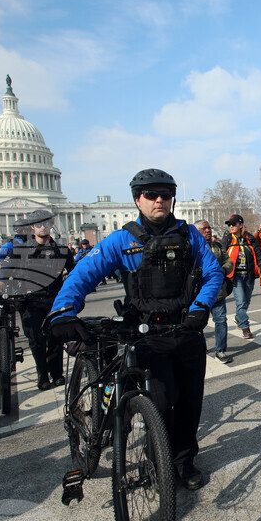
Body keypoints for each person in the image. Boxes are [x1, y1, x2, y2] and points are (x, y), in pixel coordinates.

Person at [48, 168, 224, 490]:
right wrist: (63, 310)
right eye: (151, 195)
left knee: (190, 404)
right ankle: (160, 463)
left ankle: (184, 462)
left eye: (166, 195)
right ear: (137, 200)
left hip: (186, 330)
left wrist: (201, 308)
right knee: (162, 402)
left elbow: (213, 273)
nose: (160, 200)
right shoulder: (121, 239)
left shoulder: (190, 235)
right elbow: (85, 272)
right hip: (146, 337)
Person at [0, 210, 75, 390]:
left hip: (54, 300)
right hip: (30, 301)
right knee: (36, 340)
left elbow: (74, 275)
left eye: (46, 224)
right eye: (39, 224)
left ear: (51, 226)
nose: (43, 227)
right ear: (32, 227)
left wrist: (75, 295)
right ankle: (42, 374)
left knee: (56, 337)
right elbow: (4, 272)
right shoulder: (19, 251)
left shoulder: (63, 251)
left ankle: (57, 374)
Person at [222, 214, 261, 340]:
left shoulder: (250, 238)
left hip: (249, 275)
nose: (231, 226)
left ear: (241, 225)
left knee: (246, 302)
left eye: (233, 224)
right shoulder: (227, 239)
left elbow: (259, 255)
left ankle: (238, 318)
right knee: (241, 301)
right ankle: (245, 327)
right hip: (235, 276)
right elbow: (221, 256)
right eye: (229, 224)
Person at [195, 221, 233, 364]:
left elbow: (228, 261)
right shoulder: (192, 247)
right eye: (204, 229)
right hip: (199, 293)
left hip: (218, 291)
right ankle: (200, 347)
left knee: (221, 321)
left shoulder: (217, 246)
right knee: (198, 322)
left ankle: (220, 350)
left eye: (209, 228)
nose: (208, 230)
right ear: (197, 231)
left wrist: (224, 270)